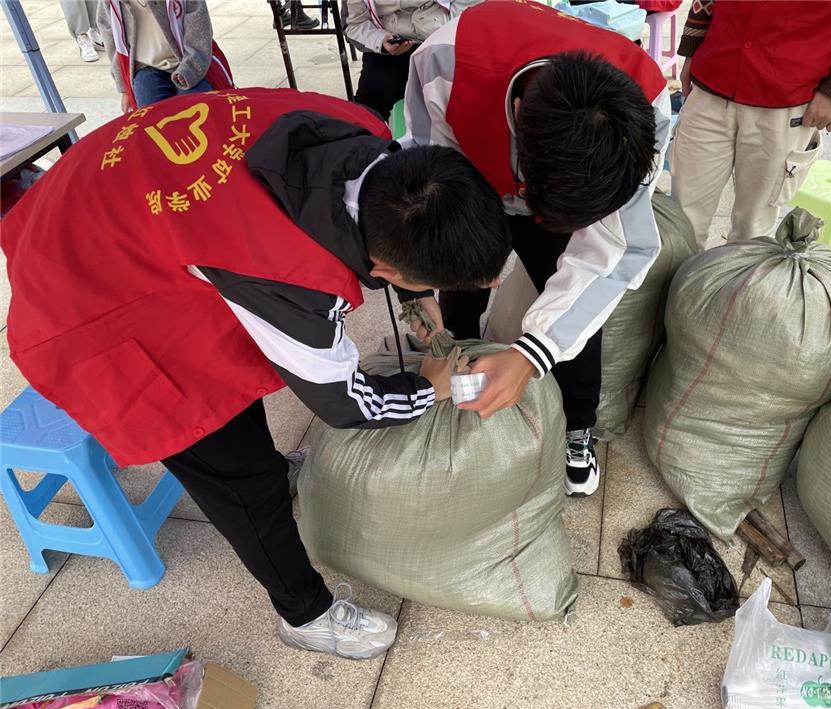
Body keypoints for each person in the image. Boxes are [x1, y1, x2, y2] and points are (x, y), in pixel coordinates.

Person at [2, 88, 511, 659]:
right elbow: (345, 403)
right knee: (234, 470)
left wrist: (417, 296)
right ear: (386, 267)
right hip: (84, 297)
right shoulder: (285, 273)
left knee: (237, 376)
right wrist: (427, 387)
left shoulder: (362, 134)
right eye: (419, 281)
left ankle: (271, 473)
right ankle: (305, 615)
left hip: (111, 201)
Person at [401, 0, 671, 497]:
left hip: (556, 191)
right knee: (460, 285)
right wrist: (415, 281)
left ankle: (578, 427)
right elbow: (424, 171)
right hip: (473, 180)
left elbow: (611, 253)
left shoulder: (647, 105)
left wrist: (531, 354)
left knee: (576, 309)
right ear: (519, 114)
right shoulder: (446, 59)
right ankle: (458, 371)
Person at [672, 0, 831, 248]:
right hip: (713, 76)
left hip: (789, 96)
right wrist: (692, 46)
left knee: (753, 230)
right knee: (682, 218)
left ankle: (745, 275)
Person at [344, 0, 480, 120]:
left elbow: (473, 9)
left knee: (470, 94)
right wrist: (380, 40)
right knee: (371, 99)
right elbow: (355, 24)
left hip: (448, 35)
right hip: (389, 44)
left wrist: (440, 34)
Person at [97, 0, 235, 112]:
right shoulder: (110, 2)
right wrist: (124, 87)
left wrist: (189, 70)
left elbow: (199, 32)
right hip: (146, 67)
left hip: (187, 62)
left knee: (199, 114)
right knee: (152, 122)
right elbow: (111, 38)